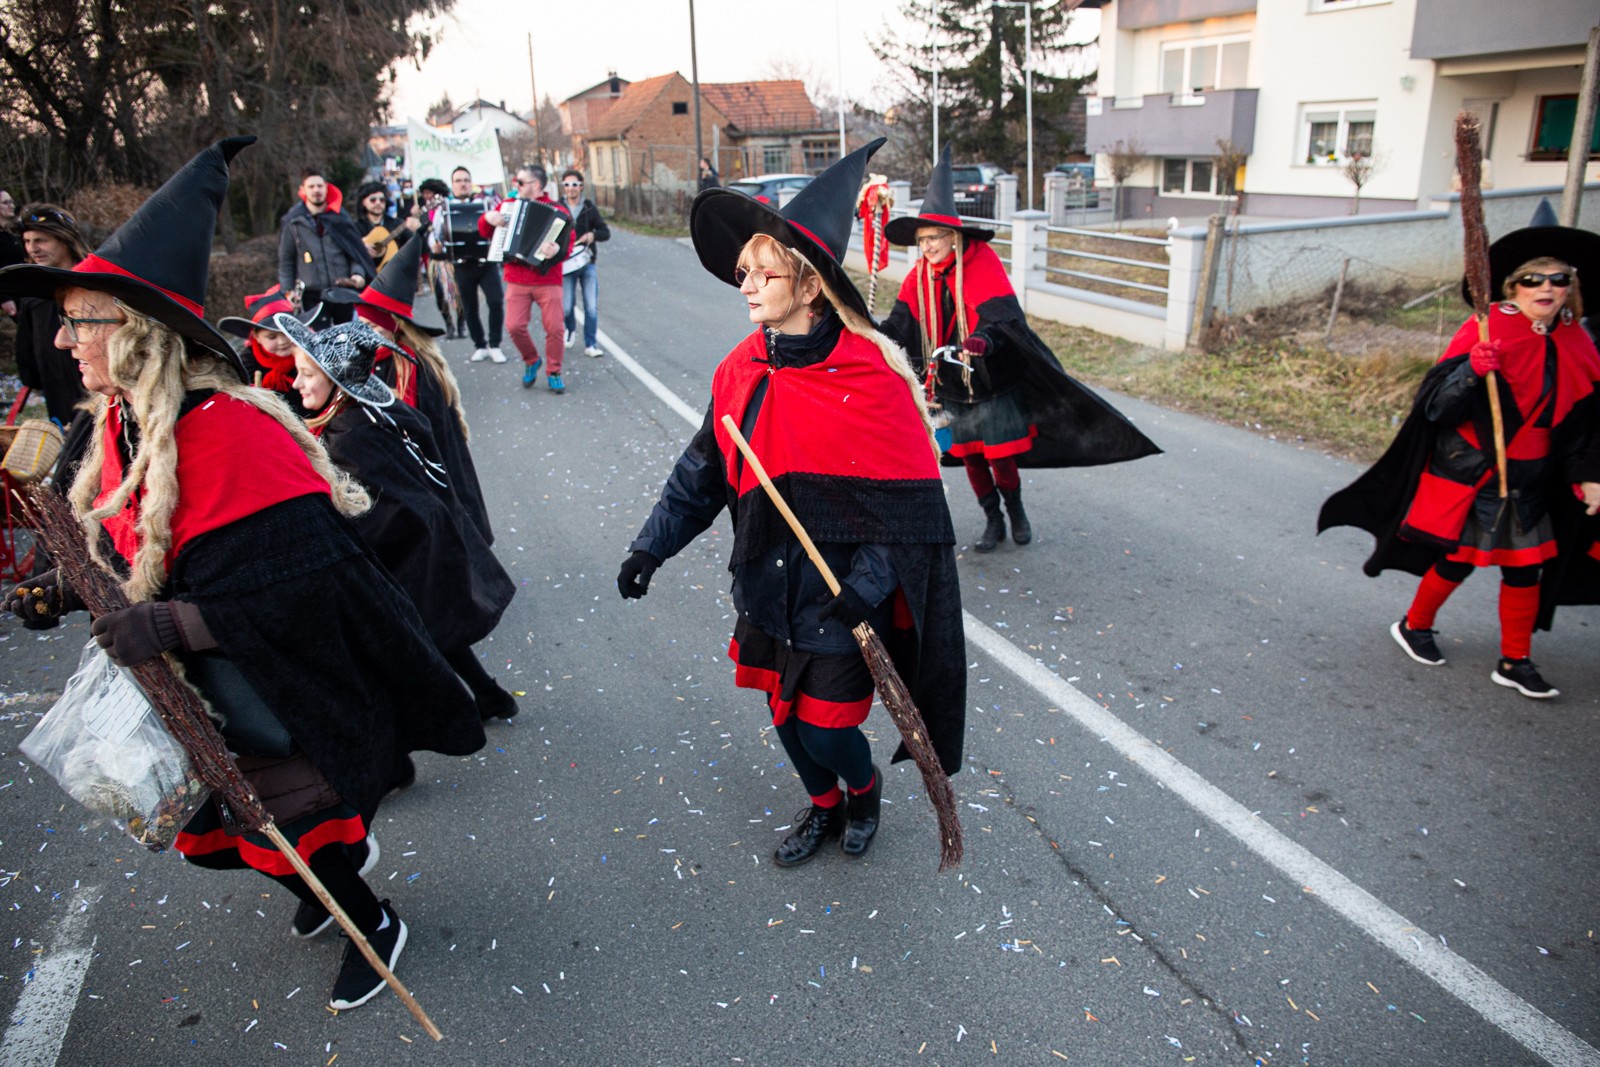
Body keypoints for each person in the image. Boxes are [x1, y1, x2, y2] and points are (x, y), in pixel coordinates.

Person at [0, 137, 485, 1012]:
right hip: (196, 686)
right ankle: (322, 887)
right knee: (214, 823)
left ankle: (369, 921)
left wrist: (176, 625)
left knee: (287, 815)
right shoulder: (115, 425)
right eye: (64, 322)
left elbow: (306, 584)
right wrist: (61, 586)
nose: (64, 340)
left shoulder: (233, 431)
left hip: (281, 679)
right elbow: (117, 547)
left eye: (82, 321)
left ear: (137, 332)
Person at [616, 139, 966, 866]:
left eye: (761, 272)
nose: (745, 284)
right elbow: (703, 471)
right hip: (765, 579)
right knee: (783, 718)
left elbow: (913, 513)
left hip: (840, 595)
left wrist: (865, 589)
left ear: (807, 286)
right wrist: (651, 544)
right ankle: (824, 804)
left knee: (828, 727)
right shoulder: (740, 369)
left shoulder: (871, 377)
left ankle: (861, 790)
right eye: (742, 272)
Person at [1319, 200, 1600, 700]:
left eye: (1558, 279)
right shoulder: (1486, 326)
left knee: (1526, 566)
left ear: (1570, 286)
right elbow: (1437, 408)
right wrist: (1473, 369)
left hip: (1535, 475)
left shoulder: (1578, 338)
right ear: (1512, 285)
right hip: (1477, 469)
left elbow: (1585, 421)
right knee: (1459, 558)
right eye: (1533, 279)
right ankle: (1414, 625)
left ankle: (1515, 661)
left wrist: (1588, 471)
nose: (1548, 289)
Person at [879, 146, 1161, 552]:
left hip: (991, 381)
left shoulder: (980, 262)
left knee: (999, 457)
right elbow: (901, 326)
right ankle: (992, 519)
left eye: (934, 238)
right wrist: (872, 332)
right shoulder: (920, 276)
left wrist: (984, 340)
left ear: (954, 236)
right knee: (971, 457)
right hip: (951, 385)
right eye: (922, 240)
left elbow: (1006, 322)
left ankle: (1016, 511)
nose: (927, 247)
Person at [277, 316, 518, 721]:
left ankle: (445, 719)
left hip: (407, 550)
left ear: (336, 380)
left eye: (305, 374)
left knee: (413, 637)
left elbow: (373, 511)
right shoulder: (368, 409)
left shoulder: (350, 437)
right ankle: (487, 695)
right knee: (433, 629)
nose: (297, 384)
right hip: (422, 540)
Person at [321, 234, 496, 550]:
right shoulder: (377, 358)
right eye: (364, 326)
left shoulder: (416, 369)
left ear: (395, 328)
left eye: (374, 328)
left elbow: (426, 433)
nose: (366, 334)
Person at [482, 164, 570, 390]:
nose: (516, 186)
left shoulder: (558, 211)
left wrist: (555, 251)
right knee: (514, 326)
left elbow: (566, 247)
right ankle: (532, 360)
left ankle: (554, 370)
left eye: (521, 182)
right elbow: (484, 230)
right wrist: (489, 218)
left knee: (555, 328)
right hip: (516, 278)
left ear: (536, 185)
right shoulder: (508, 206)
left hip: (547, 279)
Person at [14, 204, 91, 425]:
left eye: (40, 240)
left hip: (100, 394)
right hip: (60, 399)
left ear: (64, 239)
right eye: (27, 241)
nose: (32, 249)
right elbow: (27, 349)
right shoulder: (33, 293)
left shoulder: (96, 285)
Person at [432, 165, 505, 363]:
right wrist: (436, 245)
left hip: (486, 263)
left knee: (496, 301)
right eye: (458, 181)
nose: (463, 184)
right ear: (452, 184)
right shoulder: (444, 208)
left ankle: (495, 344)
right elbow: (436, 234)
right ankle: (480, 345)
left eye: (466, 180)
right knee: (470, 307)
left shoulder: (485, 202)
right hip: (462, 264)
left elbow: (501, 221)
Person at [277, 169, 368, 323]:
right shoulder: (293, 222)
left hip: (343, 291)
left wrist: (357, 274)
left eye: (320, 186)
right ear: (303, 190)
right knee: (319, 341)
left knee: (349, 338)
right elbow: (286, 261)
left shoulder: (341, 219)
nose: (316, 190)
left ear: (326, 188)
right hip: (312, 295)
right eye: (311, 187)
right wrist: (288, 291)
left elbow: (355, 253)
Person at [216, 286, 321, 414]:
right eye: (272, 337)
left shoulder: (311, 354)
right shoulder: (246, 365)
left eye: (287, 333)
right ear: (257, 337)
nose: (282, 342)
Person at [558, 169, 609, 359]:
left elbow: (605, 232)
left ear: (581, 187)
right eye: (567, 185)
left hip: (586, 262)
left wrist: (592, 235)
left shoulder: (589, 208)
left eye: (575, 185)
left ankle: (591, 343)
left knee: (591, 306)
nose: (571, 189)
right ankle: (570, 329)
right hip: (566, 263)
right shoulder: (558, 207)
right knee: (567, 304)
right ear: (563, 187)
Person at [350, 181, 415, 269]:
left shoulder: (397, 224)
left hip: (394, 275)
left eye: (382, 200)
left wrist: (417, 232)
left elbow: (417, 248)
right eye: (373, 200)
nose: (378, 203)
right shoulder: (356, 228)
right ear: (363, 202)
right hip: (368, 277)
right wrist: (360, 247)